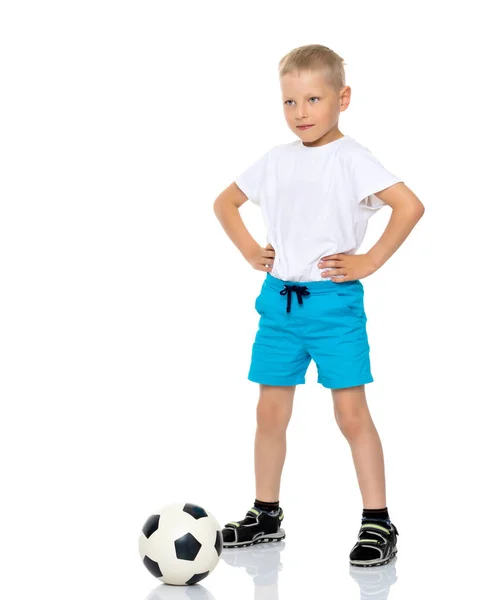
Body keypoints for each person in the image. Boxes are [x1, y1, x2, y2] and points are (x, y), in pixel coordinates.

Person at [212, 43, 425, 567]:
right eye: (289, 102)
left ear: (342, 98)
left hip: (333, 307)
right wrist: (248, 249)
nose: (300, 112)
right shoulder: (275, 159)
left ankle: (378, 520)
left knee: (351, 414)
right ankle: (266, 515)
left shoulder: (352, 159)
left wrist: (370, 259)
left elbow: (409, 206)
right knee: (269, 412)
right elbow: (226, 202)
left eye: (312, 98)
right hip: (278, 306)